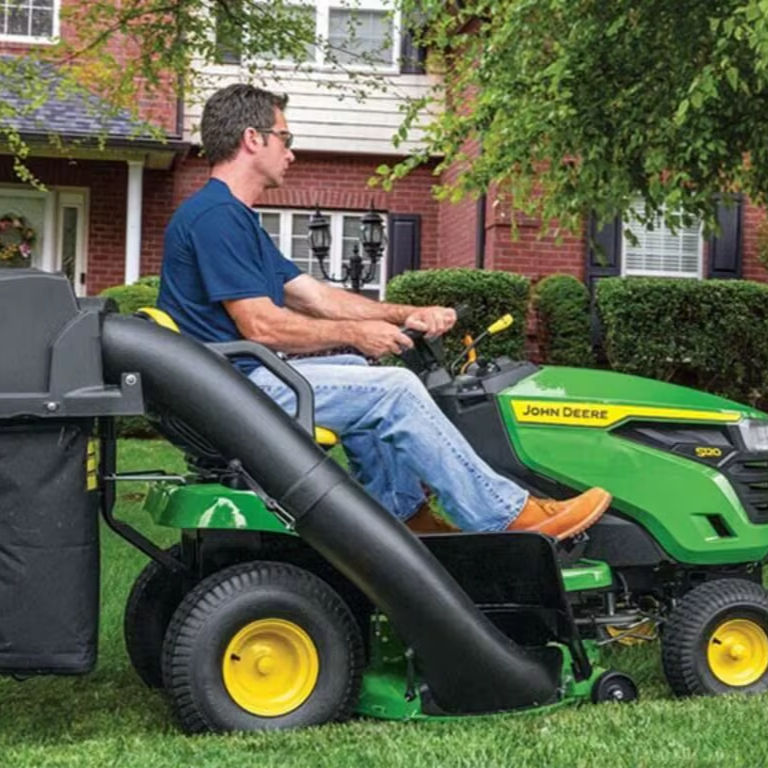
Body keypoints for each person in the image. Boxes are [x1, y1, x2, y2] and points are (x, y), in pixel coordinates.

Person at [158, 83, 611, 539]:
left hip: (235, 383)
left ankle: (402, 512)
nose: (291, 153)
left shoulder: (233, 218)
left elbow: (315, 297)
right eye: (285, 138)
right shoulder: (216, 217)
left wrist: (404, 314)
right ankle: (506, 516)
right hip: (235, 392)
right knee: (395, 389)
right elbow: (261, 325)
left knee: (361, 372)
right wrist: (357, 333)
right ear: (253, 139)